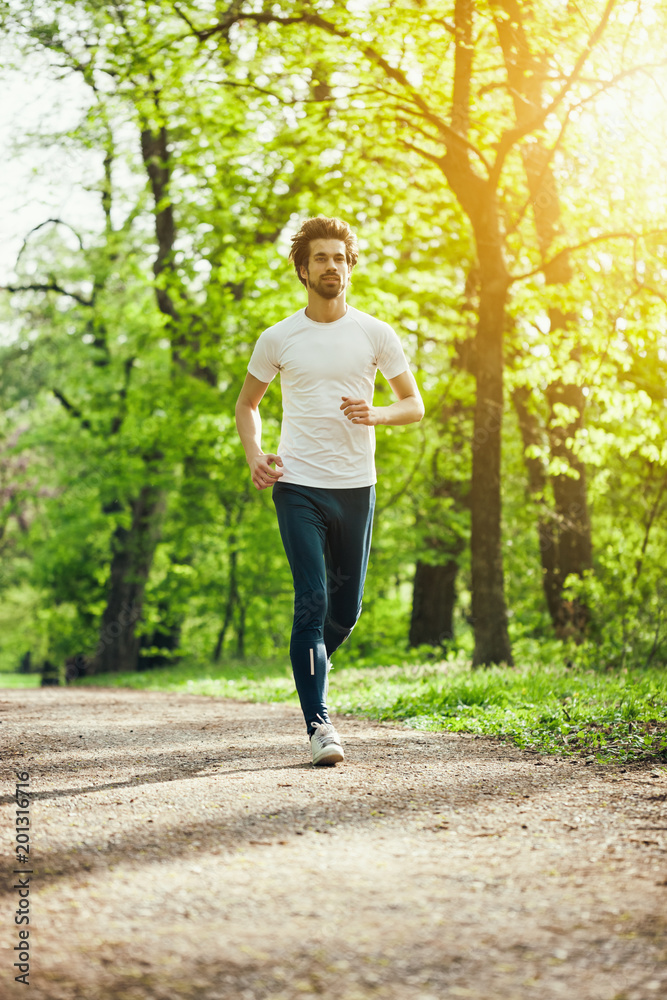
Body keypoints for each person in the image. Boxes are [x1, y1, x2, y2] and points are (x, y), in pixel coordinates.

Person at [235, 216, 424, 765]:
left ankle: (307, 660)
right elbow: (248, 404)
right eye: (321, 258)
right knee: (312, 601)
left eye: (340, 257)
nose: (332, 266)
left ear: (350, 265)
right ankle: (320, 726)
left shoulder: (374, 334)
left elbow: (413, 405)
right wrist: (255, 454)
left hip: (355, 487)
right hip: (297, 485)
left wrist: (378, 415)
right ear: (303, 268)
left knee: (346, 609)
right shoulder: (279, 337)